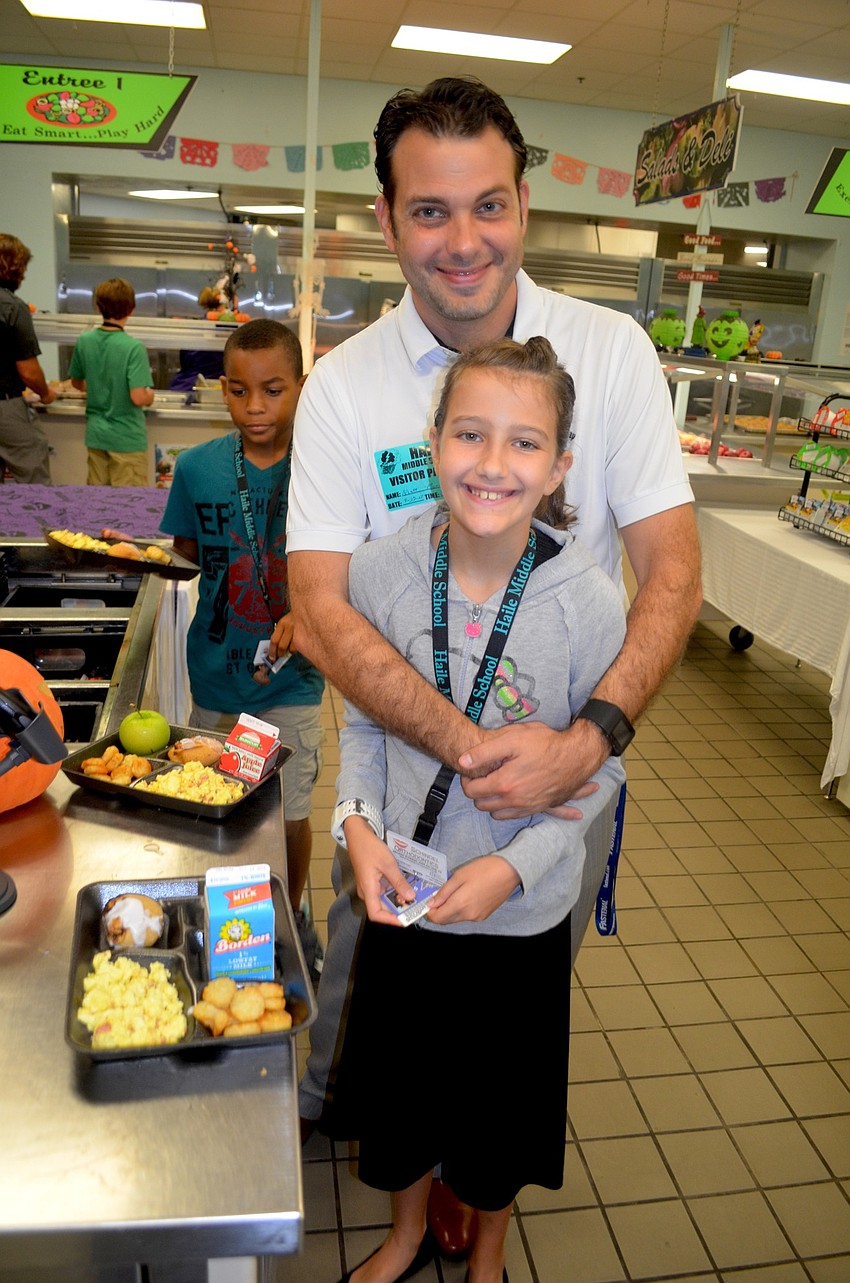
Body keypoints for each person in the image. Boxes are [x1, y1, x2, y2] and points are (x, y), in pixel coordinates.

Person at [284, 76, 702, 1257]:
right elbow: (323, 604)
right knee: (396, 1031)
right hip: (401, 814)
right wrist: (451, 754)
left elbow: (671, 573)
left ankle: (482, 1200)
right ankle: (407, 1198)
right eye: (428, 210)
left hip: (556, 793)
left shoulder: (611, 354)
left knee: (511, 1034)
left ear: (525, 204)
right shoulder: (345, 386)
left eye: (488, 206)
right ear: (386, 218)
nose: (461, 241)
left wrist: (589, 740)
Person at [329, 336, 627, 1283]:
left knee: (498, 1114)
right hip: (409, 901)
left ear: (559, 467)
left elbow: (603, 771)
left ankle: (488, 1254)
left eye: (525, 443)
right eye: (470, 433)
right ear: (433, 440)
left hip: (519, 915)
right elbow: (368, 729)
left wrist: (512, 867)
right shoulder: (379, 572)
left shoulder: (589, 601)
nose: (493, 464)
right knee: (403, 1097)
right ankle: (410, 1232)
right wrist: (357, 827)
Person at [160, 319, 325, 942]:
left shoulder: (321, 468)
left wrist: (310, 608)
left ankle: (288, 919)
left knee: (286, 813)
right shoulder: (197, 467)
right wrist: (129, 555)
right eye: (237, 390)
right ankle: (234, 921)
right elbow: (185, 555)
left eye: (273, 390)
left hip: (293, 681)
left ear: (301, 386)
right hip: (215, 673)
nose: (254, 407)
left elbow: (350, 563)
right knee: (219, 804)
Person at [68, 277, 155, 487]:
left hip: (97, 437)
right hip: (127, 439)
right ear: (131, 309)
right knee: (128, 507)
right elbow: (137, 396)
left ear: (98, 307)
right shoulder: (133, 348)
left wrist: (99, 387)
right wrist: (150, 396)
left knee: (98, 505)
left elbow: (76, 383)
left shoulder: (85, 341)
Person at [0, 232, 55, 483]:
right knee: (34, 472)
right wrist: (46, 393)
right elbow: (29, 372)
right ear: (13, 266)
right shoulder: (13, 307)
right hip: (5, 406)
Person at [168, 286, 227, 392]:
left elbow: (185, 362)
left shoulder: (194, 327)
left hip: (184, 386)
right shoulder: (226, 331)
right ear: (223, 305)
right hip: (214, 390)